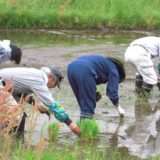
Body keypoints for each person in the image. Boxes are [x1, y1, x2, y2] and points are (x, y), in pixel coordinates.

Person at [0, 67, 80, 135]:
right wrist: (70, 123)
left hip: (4, 86)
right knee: (17, 115)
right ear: (51, 78)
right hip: (1, 85)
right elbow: (52, 104)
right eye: (55, 84)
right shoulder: (40, 80)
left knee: (20, 114)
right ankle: (15, 140)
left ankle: (17, 140)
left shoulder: (37, 74)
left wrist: (36, 104)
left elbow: (19, 94)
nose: (53, 87)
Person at [67, 54, 126, 120]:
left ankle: (83, 126)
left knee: (83, 103)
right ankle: (87, 128)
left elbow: (86, 85)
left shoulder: (102, 62)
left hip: (71, 68)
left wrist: (93, 94)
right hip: (86, 69)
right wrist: (118, 107)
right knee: (88, 108)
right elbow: (112, 92)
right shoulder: (114, 69)